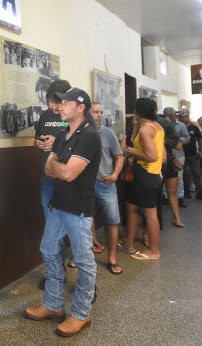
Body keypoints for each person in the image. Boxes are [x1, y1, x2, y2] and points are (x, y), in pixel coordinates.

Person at [25, 88, 101, 338]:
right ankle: (54, 305)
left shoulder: (89, 136)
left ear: (81, 107)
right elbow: (50, 169)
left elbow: (68, 173)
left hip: (78, 210)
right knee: (48, 250)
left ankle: (81, 313)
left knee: (83, 261)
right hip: (58, 205)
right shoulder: (62, 134)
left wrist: (61, 167)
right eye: (59, 102)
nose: (60, 106)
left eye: (65, 102)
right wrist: (61, 167)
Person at [33, 79, 71, 289]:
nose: (55, 107)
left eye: (59, 102)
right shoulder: (46, 116)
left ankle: (87, 283)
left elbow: (83, 144)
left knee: (73, 229)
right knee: (51, 229)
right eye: (52, 102)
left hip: (69, 181)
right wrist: (40, 142)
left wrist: (56, 143)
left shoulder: (75, 117)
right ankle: (55, 274)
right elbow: (36, 139)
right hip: (48, 181)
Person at [119, 98, 164, 260]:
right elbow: (163, 156)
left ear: (138, 111)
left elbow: (152, 156)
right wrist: (136, 126)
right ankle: (128, 243)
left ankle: (154, 250)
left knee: (150, 213)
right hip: (146, 175)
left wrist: (128, 151)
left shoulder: (147, 130)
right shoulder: (155, 127)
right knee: (131, 207)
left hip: (147, 176)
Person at [89, 102, 125, 275]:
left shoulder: (108, 133)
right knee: (84, 221)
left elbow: (119, 156)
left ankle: (112, 258)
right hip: (85, 185)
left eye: (101, 112)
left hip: (106, 184)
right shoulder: (80, 133)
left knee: (112, 221)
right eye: (95, 112)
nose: (99, 115)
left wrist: (115, 175)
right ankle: (84, 256)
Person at [157, 108, 185, 227]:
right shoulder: (168, 125)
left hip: (157, 163)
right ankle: (177, 219)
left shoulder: (151, 128)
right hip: (170, 161)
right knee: (172, 193)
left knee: (155, 196)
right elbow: (178, 146)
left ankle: (156, 224)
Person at [180, 110, 202, 202]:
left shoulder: (194, 128)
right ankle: (186, 192)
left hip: (193, 154)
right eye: (182, 117)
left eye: (185, 116)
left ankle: (200, 193)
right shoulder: (178, 128)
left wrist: (201, 151)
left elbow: (200, 139)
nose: (184, 118)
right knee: (183, 175)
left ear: (188, 117)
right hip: (182, 155)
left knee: (196, 174)